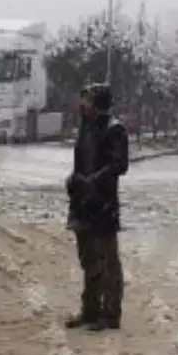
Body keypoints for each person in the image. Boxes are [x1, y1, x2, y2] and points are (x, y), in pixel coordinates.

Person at [64, 84, 130, 331]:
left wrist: (93, 182)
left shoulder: (114, 130)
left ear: (99, 104)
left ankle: (111, 312)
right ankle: (90, 309)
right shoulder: (85, 129)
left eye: (88, 100)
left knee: (108, 260)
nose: (83, 104)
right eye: (83, 99)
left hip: (102, 203)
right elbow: (81, 162)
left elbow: (119, 165)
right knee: (88, 259)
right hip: (82, 201)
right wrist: (74, 181)